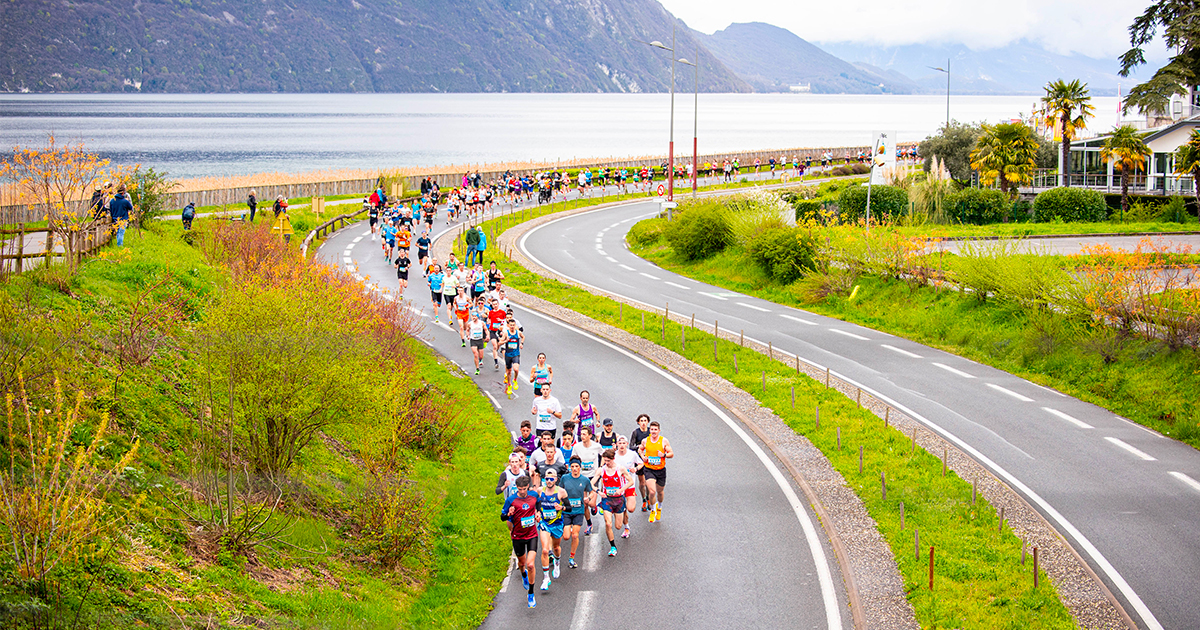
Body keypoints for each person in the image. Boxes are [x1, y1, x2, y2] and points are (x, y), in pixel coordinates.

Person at [500, 475, 541, 609]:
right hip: (517, 536)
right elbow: (502, 516)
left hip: (532, 535)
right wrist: (509, 514)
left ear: (528, 487)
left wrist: (538, 512)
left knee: (530, 564)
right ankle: (523, 575)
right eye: (519, 489)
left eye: (524, 489)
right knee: (522, 563)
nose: (522, 492)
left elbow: (538, 504)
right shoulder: (511, 500)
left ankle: (531, 593)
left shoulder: (533, 495)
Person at [597, 449, 634, 557]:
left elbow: (630, 481)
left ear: (613, 459)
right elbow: (591, 483)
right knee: (608, 523)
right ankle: (613, 547)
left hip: (618, 500)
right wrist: (598, 491)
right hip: (607, 500)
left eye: (608, 461)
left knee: (618, 526)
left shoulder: (620, 469)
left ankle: (625, 517)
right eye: (604, 461)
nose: (606, 463)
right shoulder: (601, 470)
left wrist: (622, 489)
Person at [536, 468, 567, 591]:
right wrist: (537, 512)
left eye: (551, 478)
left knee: (555, 548)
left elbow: (569, 507)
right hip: (544, 523)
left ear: (556, 479)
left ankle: (557, 561)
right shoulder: (540, 491)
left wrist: (562, 507)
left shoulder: (561, 492)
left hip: (557, 524)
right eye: (546, 479)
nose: (549, 481)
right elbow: (536, 503)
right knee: (544, 550)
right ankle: (546, 578)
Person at [639, 420, 674, 523]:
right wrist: (642, 457)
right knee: (652, 491)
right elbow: (640, 449)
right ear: (649, 430)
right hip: (649, 469)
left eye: (655, 430)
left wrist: (663, 455)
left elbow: (671, 453)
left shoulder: (664, 441)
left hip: (660, 470)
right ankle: (653, 510)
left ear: (659, 431)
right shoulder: (645, 441)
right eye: (652, 429)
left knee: (660, 492)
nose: (653, 431)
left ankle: (659, 507)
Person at [560, 456, 591, 568]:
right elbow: (559, 491)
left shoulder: (585, 480)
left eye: (576, 466)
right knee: (566, 536)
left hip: (579, 511)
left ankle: (572, 558)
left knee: (575, 535)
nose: (574, 468)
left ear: (580, 467)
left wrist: (589, 498)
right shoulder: (564, 478)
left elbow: (591, 491)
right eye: (572, 466)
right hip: (566, 511)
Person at [613, 435, 643, 538]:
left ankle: (625, 507)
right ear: (617, 444)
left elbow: (641, 463)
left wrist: (636, 469)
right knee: (623, 508)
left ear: (626, 444)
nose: (621, 445)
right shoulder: (614, 455)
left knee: (630, 509)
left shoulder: (632, 454)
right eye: (619, 443)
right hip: (618, 487)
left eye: (623, 443)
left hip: (630, 485)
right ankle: (626, 527)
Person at [629, 413, 652, 511]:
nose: (643, 423)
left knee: (648, 482)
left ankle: (649, 499)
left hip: (649, 460)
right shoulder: (636, 433)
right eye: (641, 421)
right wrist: (638, 447)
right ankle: (643, 500)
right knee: (642, 482)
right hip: (639, 460)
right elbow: (631, 446)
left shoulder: (651, 432)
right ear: (638, 422)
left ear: (648, 422)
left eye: (645, 421)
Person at [503, 316, 524, 398]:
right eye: (510, 325)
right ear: (508, 325)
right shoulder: (506, 333)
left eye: (513, 325)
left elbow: (523, 337)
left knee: (516, 369)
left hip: (516, 354)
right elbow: (500, 342)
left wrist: (521, 343)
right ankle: (509, 385)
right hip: (508, 355)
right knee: (508, 372)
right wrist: (505, 341)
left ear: (515, 325)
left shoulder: (518, 332)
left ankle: (515, 379)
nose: (512, 326)